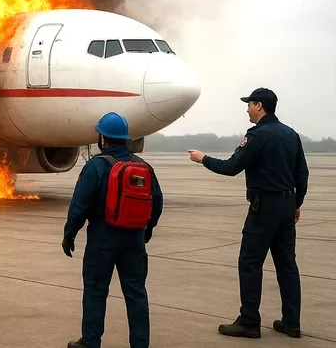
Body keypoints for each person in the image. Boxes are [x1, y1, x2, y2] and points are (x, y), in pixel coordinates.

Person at [187, 87, 309, 339]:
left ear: (260, 106)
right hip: (286, 206)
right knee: (287, 265)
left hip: (264, 208)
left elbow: (232, 166)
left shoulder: (257, 135)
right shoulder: (291, 134)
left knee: (250, 263)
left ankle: (249, 321)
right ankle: (292, 322)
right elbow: (302, 174)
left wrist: (203, 159)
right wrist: (295, 203)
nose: (247, 109)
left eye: (250, 104)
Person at [63, 112, 163, 348]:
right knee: (136, 292)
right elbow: (157, 201)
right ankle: (140, 344)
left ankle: (91, 341)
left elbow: (79, 205)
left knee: (96, 291)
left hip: (102, 239)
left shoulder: (95, 167)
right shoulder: (143, 166)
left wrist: (70, 234)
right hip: (134, 239)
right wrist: (148, 228)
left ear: (103, 138)